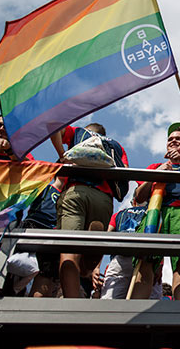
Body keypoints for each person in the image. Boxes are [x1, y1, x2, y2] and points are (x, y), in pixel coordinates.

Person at [50, 122, 128, 298]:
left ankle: (71, 302)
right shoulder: (116, 145)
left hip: (76, 190)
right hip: (103, 198)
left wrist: (62, 156)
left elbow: (53, 128)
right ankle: (90, 259)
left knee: (69, 251)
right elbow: (124, 176)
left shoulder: (77, 132)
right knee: (86, 266)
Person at [132, 123, 180, 300]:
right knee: (146, 260)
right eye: (170, 139)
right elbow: (139, 197)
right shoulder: (155, 165)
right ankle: (137, 307)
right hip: (155, 212)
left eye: (179, 138)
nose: (173, 141)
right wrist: (156, 174)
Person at [100, 196, 147, 299]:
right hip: (143, 259)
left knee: (110, 301)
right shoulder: (151, 214)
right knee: (146, 299)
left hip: (120, 258)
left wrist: (97, 266)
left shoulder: (119, 214)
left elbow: (106, 237)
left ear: (134, 202)